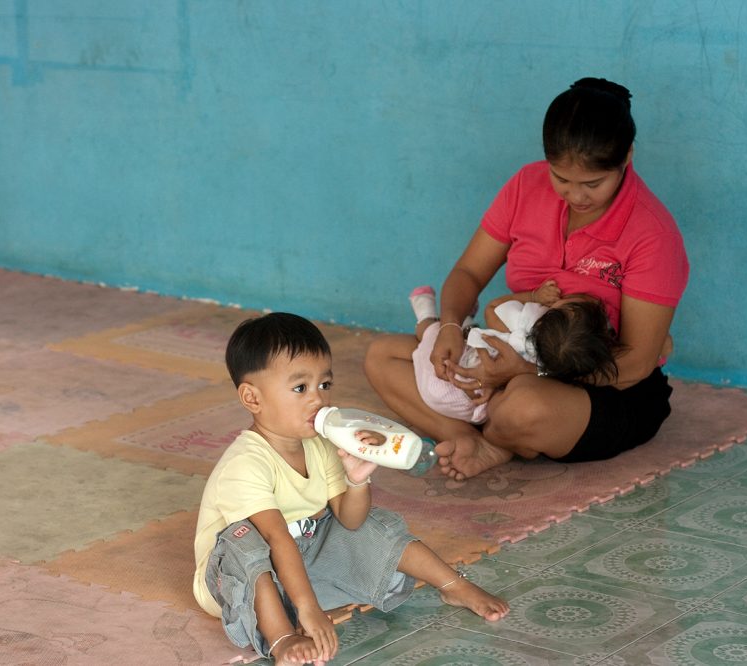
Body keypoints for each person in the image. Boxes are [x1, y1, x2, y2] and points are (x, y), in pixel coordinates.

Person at [364, 77, 689, 480]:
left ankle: (501, 432)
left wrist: (526, 372)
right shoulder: (526, 186)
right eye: (561, 178)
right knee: (383, 356)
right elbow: (468, 272)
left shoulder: (651, 232)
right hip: (510, 353)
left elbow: (638, 362)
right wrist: (449, 327)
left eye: (593, 183)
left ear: (627, 157)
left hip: (603, 386)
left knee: (524, 406)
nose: (575, 196)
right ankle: (466, 435)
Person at [193, 312, 508, 664]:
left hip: (299, 558)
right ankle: (282, 638)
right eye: (300, 388)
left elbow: (351, 520)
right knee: (245, 541)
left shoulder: (319, 443)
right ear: (253, 399)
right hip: (240, 574)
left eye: (324, 385)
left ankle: (453, 585)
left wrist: (358, 479)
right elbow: (276, 540)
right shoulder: (245, 464)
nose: (318, 399)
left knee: (370, 523)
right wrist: (309, 609)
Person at [409, 281, 626, 425]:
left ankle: (425, 311)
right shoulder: (559, 368)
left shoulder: (524, 325)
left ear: (544, 316)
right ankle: (464, 323)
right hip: (480, 409)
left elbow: (493, 308)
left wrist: (533, 296)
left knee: (432, 333)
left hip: (446, 383)